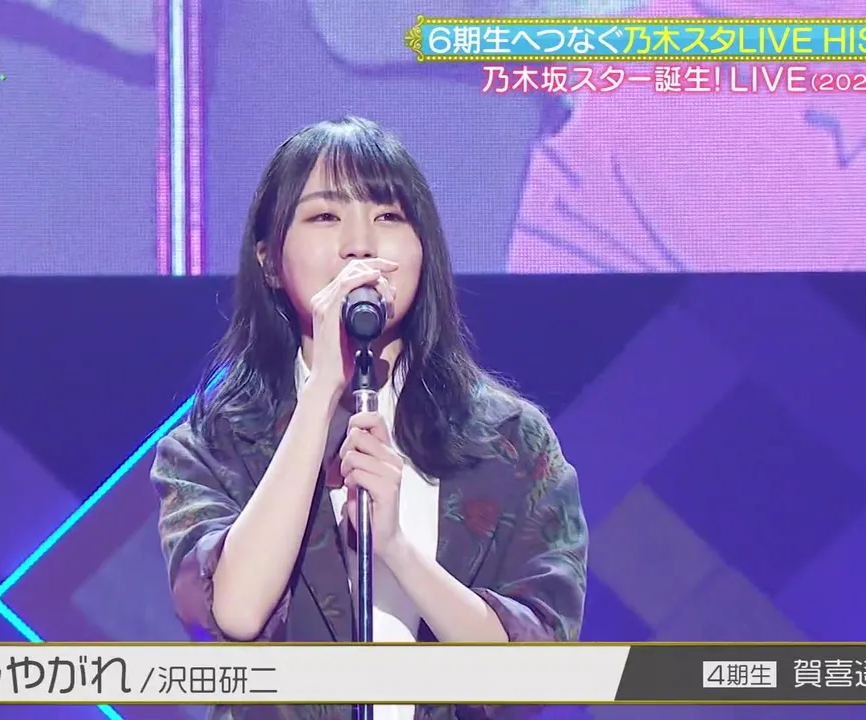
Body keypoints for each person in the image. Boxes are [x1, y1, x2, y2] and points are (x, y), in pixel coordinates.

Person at [151, 116, 588, 720]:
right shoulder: (212, 445)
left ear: (423, 251)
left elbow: (536, 673)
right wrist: (322, 392)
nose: (360, 245)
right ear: (269, 261)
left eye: (388, 216)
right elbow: (237, 613)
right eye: (325, 216)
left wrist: (397, 550)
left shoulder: (511, 440)